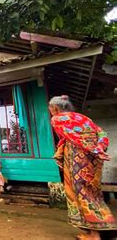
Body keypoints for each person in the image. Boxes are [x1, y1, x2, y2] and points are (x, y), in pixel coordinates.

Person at [49, 95, 115, 239]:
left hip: (77, 158)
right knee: (93, 191)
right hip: (93, 159)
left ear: (55, 108)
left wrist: (91, 149)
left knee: (80, 191)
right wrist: (99, 149)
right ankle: (103, 227)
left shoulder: (57, 119)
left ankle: (94, 234)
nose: (50, 111)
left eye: (50, 108)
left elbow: (71, 137)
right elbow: (102, 133)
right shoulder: (84, 118)